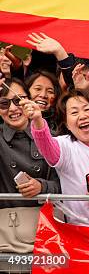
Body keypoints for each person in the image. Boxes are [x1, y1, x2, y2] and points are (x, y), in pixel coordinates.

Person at [25, 89, 89, 227]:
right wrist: (37, 120)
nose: (82, 116)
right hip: (80, 236)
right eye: (74, 112)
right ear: (66, 123)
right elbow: (46, 145)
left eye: (86, 109)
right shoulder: (66, 146)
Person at [0, 78, 60, 253]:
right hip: (7, 232)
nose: (13, 108)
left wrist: (41, 186)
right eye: (4, 103)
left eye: (18, 100)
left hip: (49, 230)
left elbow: (65, 183)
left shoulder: (52, 136)